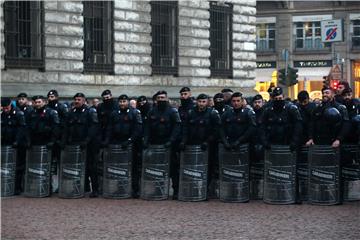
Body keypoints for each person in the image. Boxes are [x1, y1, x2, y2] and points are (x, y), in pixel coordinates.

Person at [181, 93, 221, 198]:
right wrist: (184, 141)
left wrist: (208, 141)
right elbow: (185, 128)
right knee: (193, 168)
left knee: (208, 169)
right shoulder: (191, 112)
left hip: (207, 146)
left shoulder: (212, 113)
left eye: (203, 102)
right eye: (199, 101)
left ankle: (205, 190)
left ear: (207, 102)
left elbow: (217, 130)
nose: (201, 104)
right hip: (193, 144)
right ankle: (192, 189)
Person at [144, 90, 181, 199]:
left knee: (173, 169)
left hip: (169, 144)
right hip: (155, 144)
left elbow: (177, 127)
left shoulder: (172, 111)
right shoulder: (152, 112)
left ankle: (176, 191)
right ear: (156, 100)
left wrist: (171, 140)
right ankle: (158, 189)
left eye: (163, 98)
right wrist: (146, 140)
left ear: (167, 99)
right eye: (159, 98)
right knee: (157, 168)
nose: (161, 100)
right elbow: (147, 127)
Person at [62, 93, 99, 197]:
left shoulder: (90, 111)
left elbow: (94, 127)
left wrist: (87, 141)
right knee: (77, 167)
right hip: (75, 143)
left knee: (91, 167)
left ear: (84, 101)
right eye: (76, 99)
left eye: (79, 99)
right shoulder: (71, 112)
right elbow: (66, 128)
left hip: (89, 144)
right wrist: (64, 141)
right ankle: (80, 187)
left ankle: (95, 190)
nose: (77, 101)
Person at [105, 94, 143, 197]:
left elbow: (138, 129)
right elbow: (110, 128)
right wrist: (108, 140)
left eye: (124, 102)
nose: (122, 104)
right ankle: (120, 188)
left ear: (128, 102)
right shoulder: (114, 113)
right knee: (119, 167)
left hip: (131, 144)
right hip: (118, 144)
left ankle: (135, 190)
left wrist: (130, 140)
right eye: (120, 102)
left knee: (133, 168)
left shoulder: (134, 113)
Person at [261, 87, 302, 151]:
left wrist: (294, 141)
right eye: (276, 99)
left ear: (283, 97)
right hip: (272, 143)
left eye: (280, 98)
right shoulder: (268, 109)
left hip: (288, 142)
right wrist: (265, 142)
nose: (278, 100)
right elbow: (262, 126)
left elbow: (298, 125)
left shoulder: (291, 108)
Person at [1, 97, 27, 194]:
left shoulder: (19, 114)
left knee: (18, 166)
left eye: (7, 108)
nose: (5, 110)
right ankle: (6, 185)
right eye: (3, 108)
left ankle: (17, 187)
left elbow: (22, 129)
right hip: (6, 143)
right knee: (6, 166)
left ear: (10, 105)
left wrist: (17, 141)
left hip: (17, 145)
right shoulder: (2, 114)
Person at [47, 89, 69, 193]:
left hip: (59, 140)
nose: (51, 99)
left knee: (61, 164)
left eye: (52, 97)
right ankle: (49, 186)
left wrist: (62, 140)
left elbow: (65, 125)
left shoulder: (61, 108)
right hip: (50, 140)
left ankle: (62, 186)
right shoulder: (47, 108)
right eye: (49, 97)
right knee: (49, 164)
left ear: (56, 97)